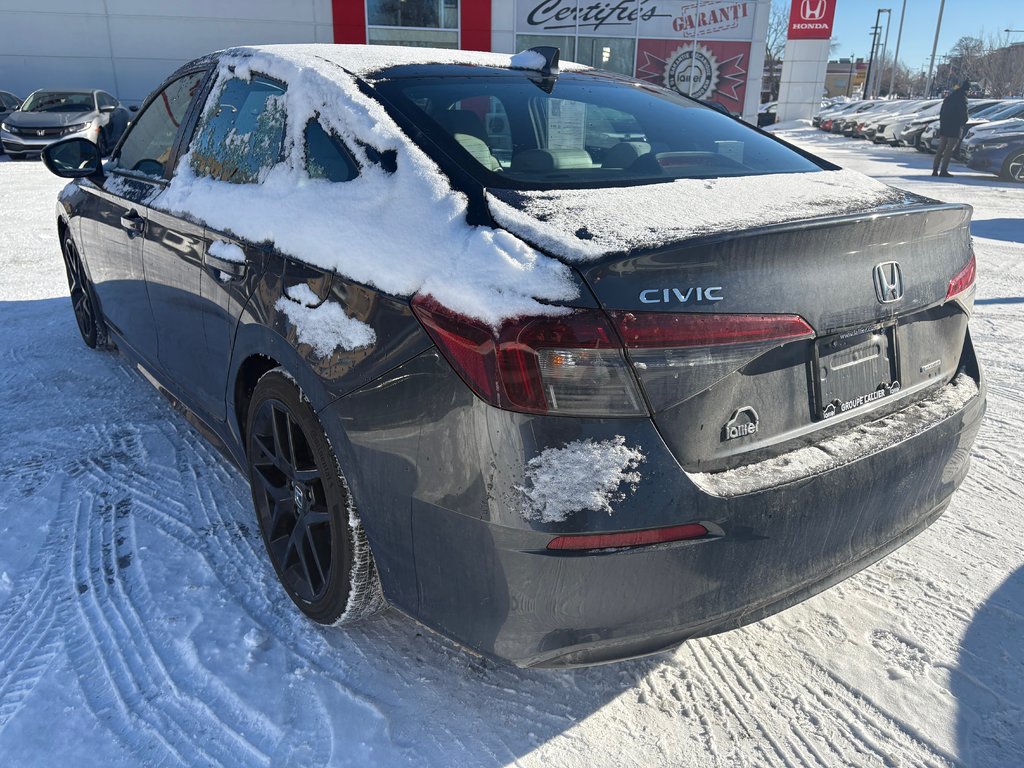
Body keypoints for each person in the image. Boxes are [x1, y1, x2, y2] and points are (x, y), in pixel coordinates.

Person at [932, 79, 970, 178]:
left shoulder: (949, 98)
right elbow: (964, 115)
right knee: (949, 150)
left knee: (940, 148)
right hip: (955, 127)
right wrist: (962, 123)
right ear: (966, 90)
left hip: (944, 126)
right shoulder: (962, 99)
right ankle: (943, 170)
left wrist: (943, 122)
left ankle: (935, 170)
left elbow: (941, 112)